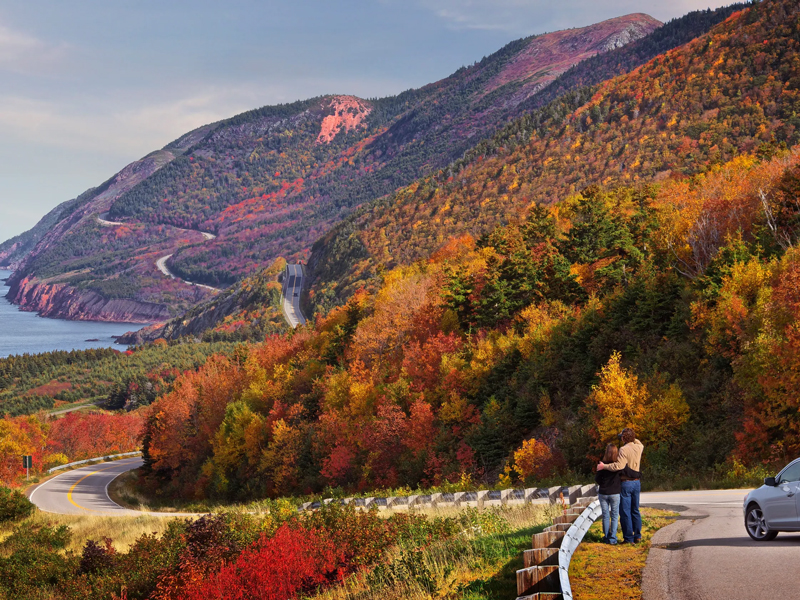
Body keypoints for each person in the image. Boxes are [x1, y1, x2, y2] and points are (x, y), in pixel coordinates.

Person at [597, 427, 644, 544]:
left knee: (625, 512)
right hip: (637, 482)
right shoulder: (639, 447)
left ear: (624, 438)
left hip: (626, 482)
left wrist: (605, 467)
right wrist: (631, 436)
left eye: (622, 437)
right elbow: (638, 441)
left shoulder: (623, 449)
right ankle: (637, 535)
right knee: (635, 510)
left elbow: (619, 466)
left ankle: (628, 538)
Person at [595, 443, 622, 544]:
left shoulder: (602, 464)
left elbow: (597, 478)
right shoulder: (618, 465)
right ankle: (613, 538)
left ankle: (606, 536)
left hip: (603, 492)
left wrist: (603, 484)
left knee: (605, 515)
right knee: (614, 516)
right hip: (615, 492)